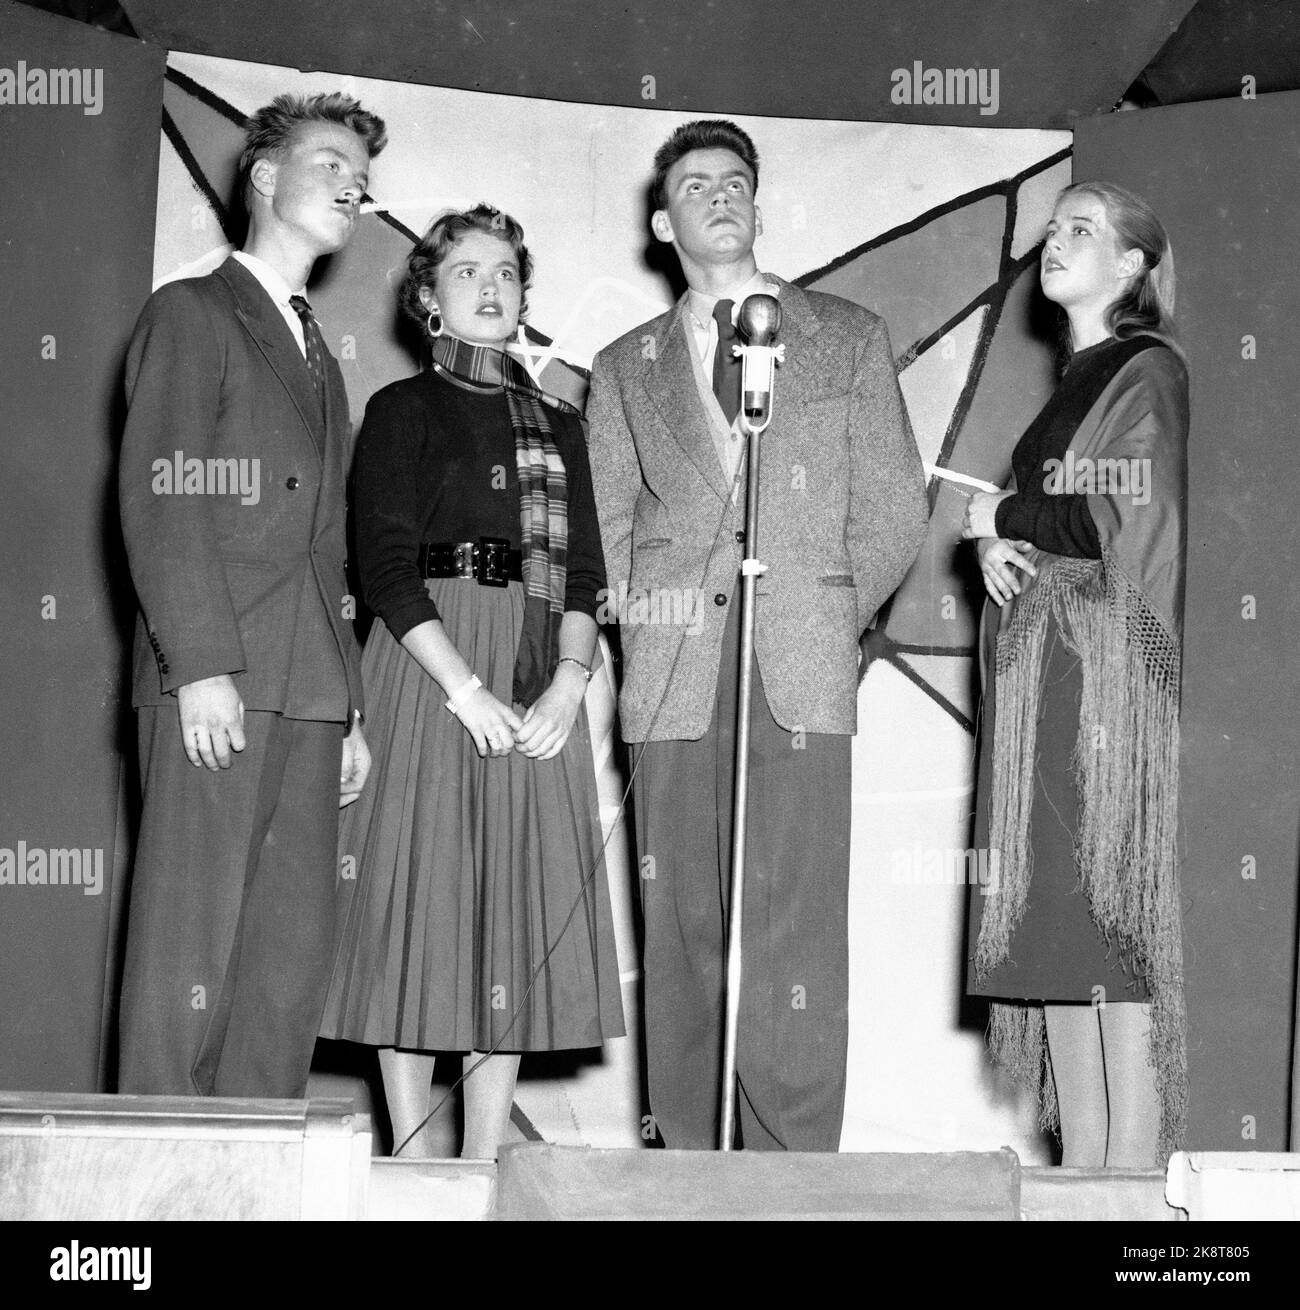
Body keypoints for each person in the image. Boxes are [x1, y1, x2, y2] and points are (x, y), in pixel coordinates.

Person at [586, 120, 928, 1150]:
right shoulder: (621, 364)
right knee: (681, 924)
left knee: (796, 934)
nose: (719, 195)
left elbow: (895, 509)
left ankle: (793, 1177)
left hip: (801, 663)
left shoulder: (845, 334)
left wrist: (819, 610)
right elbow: (604, 531)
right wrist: (655, 630)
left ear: (760, 205)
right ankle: (685, 1165)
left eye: (736, 180)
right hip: (677, 669)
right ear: (662, 221)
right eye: (695, 184)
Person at [319, 205, 624, 1159]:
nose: (490, 288)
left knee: (507, 913)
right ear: (427, 301)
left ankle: (484, 1166)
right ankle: (410, 1165)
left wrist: (570, 685)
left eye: (506, 272)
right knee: (415, 908)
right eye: (464, 273)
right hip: (425, 664)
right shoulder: (401, 411)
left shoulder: (560, 423)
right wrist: (465, 690)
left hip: (537, 671)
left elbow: (583, 573)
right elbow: (384, 568)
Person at [117, 92, 386, 1096]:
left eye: (363, 175)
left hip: (310, 691)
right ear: (265, 178)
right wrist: (202, 665)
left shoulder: (320, 356)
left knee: (284, 962)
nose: (353, 184)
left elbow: (327, 549)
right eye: (330, 163)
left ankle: (256, 1175)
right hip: (222, 674)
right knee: (188, 953)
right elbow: (161, 497)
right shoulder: (190, 312)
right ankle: (147, 1196)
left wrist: (350, 707)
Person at [961, 181, 1189, 1166]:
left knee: (1107, 919)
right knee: (1054, 928)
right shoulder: (1072, 380)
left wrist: (996, 520)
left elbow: (1110, 516)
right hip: (1042, 680)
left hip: (1100, 683)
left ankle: (1128, 1187)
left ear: (1133, 265)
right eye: (1052, 227)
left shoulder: (1146, 369)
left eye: (1082, 229)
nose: (1055, 240)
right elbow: (1048, 516)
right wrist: (990, 550)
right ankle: (1080, 1181)